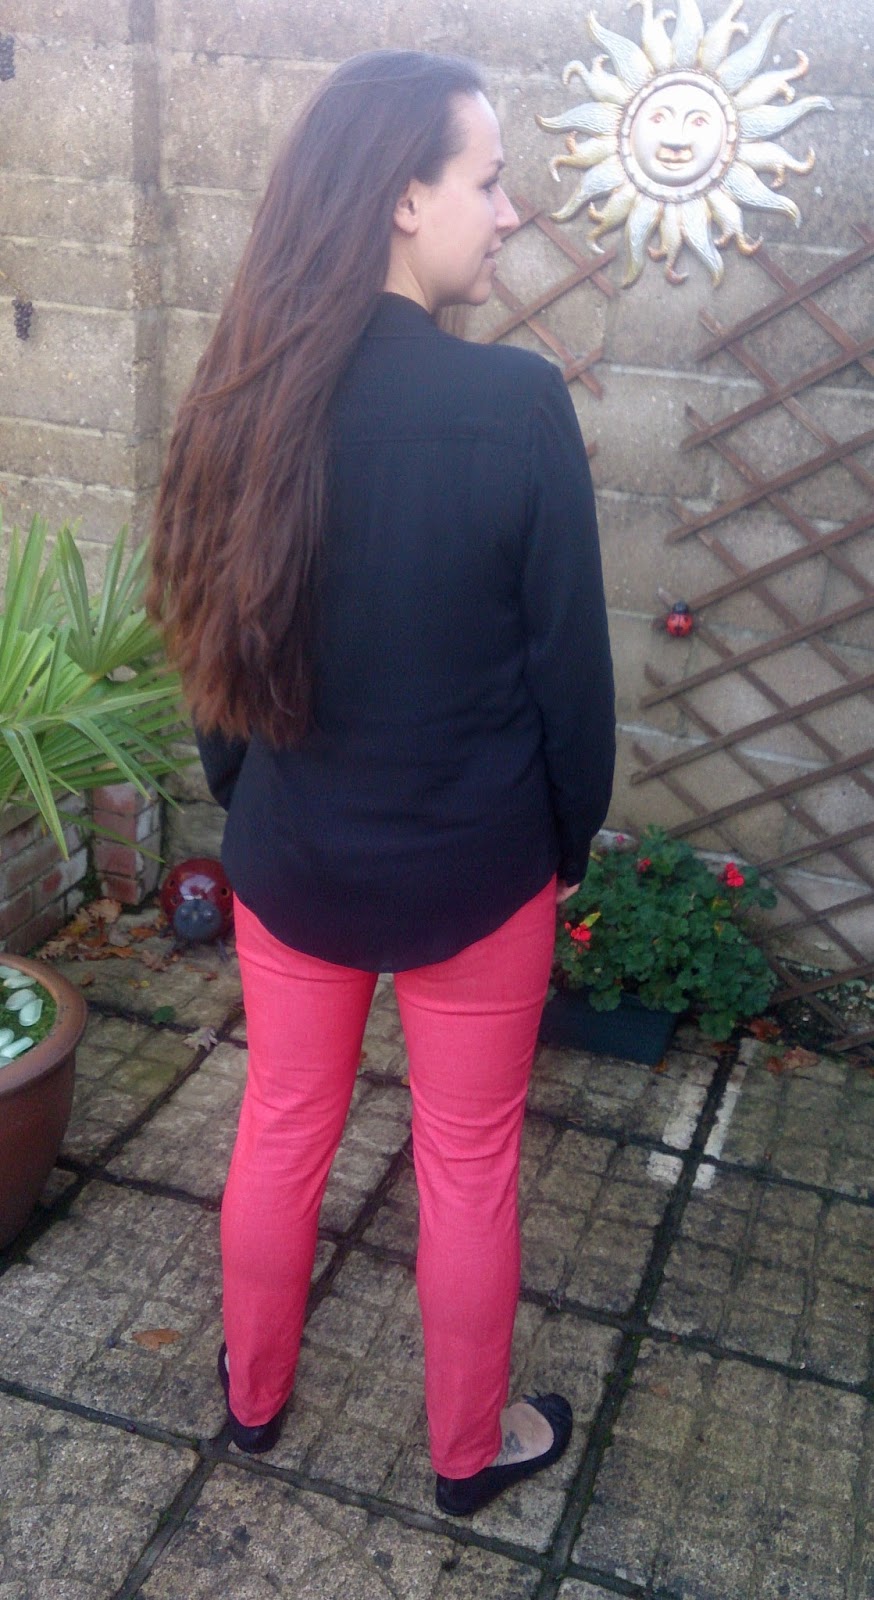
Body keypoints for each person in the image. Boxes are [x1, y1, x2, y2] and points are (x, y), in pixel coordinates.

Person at [148, 49, 615, 1518]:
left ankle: (254, 1401)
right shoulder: (516, 403)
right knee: (468, 1167)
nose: (510, 212)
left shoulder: (241, 394)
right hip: (477, 873)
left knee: (283, 1123)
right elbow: (571, 685)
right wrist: (562, 849)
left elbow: (211, 653)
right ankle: (468, 1453)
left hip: (295, 859)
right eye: (489, 179)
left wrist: (253, 807)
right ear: (405, 198)